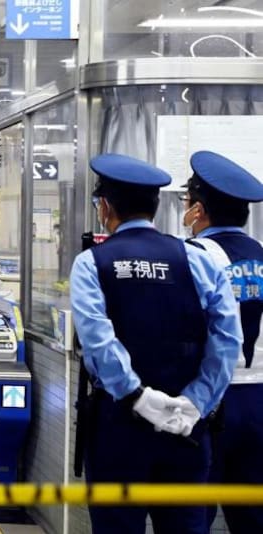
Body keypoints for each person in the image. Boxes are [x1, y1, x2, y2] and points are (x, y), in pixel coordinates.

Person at [69, 153, 241, 534]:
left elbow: (98, 340)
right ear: (156, 206)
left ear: (105, 207)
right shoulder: (197, 260)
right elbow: (228, 339)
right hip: (186, 427)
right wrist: (196, 402)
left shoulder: (91, 263)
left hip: (118, 426)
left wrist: (137, 397)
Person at [180, 151, 263, 534]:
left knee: (193, 513)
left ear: (198, 210)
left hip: (213, 402)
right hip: (259, 401)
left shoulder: (195, 256)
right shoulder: (261, 254)